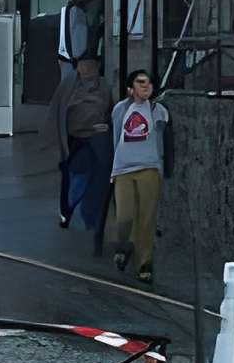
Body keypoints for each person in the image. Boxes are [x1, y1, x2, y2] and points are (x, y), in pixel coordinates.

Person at [106, 68, 168, 284]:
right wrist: (113, 168)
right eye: (140, 82)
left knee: (147, 219)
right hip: (123, 169)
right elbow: (115, 139)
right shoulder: (120, 110)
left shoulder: (158, 110)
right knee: (125, 217)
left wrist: (162, 168)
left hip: (149, 168)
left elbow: (163, 142)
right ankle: (123, 247)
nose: (145, 86)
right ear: (131, 88)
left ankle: (145, 263)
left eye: (149, 83)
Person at [52, 55, 113, 250]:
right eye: (85, 65)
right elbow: (60, 113)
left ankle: (91, 218)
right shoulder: (69, 86)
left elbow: (109, 109)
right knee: (76, 178)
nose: (88, 69)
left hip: (97, 139)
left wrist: (104, 127)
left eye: (92, 65)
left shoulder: (104, 85)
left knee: (97, 177)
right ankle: (68, 212)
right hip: (76, 140)